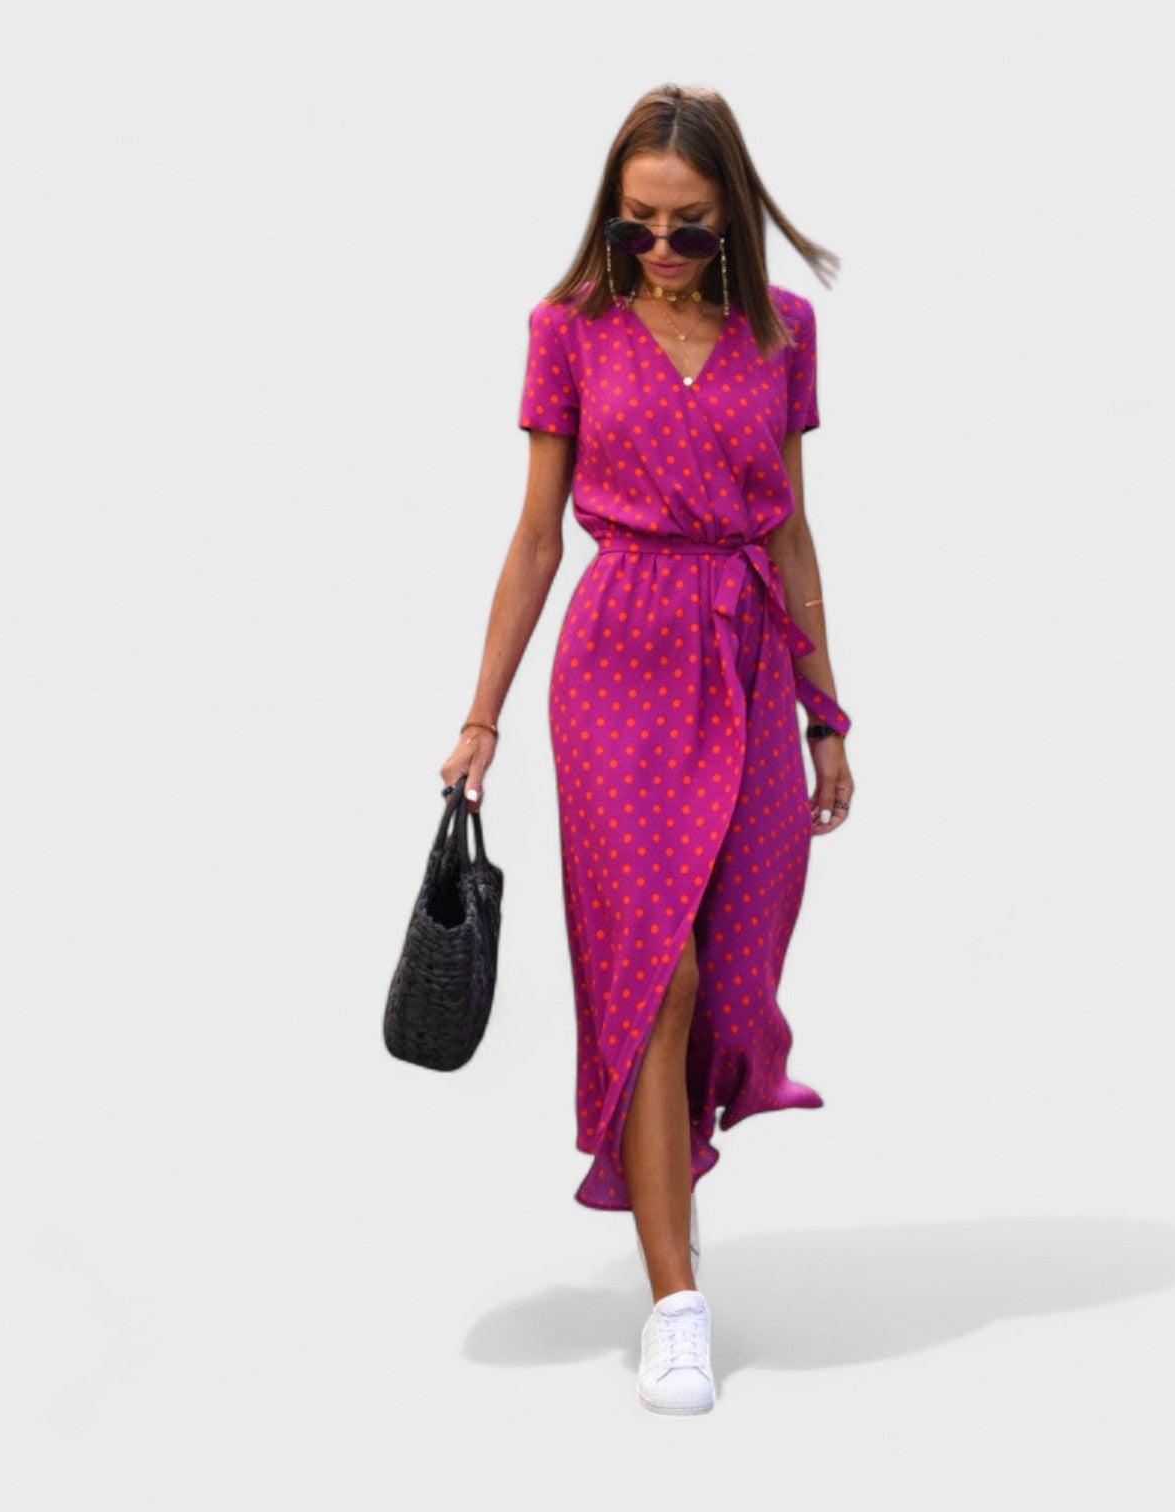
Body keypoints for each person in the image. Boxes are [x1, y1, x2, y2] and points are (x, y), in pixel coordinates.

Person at [439, 83, 854, 1416]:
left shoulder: (782, 331)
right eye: (636, 227)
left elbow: (790, 532)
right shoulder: (568, 329)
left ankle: (682, 1187)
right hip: (617, 658)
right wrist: (482, 714)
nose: (660, 250)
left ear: (734, 217)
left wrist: (826, 711)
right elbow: (535, 537)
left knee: (732, 972)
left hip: (748, 651)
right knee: (654, 976)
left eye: (687, 227)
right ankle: (678, 1303)